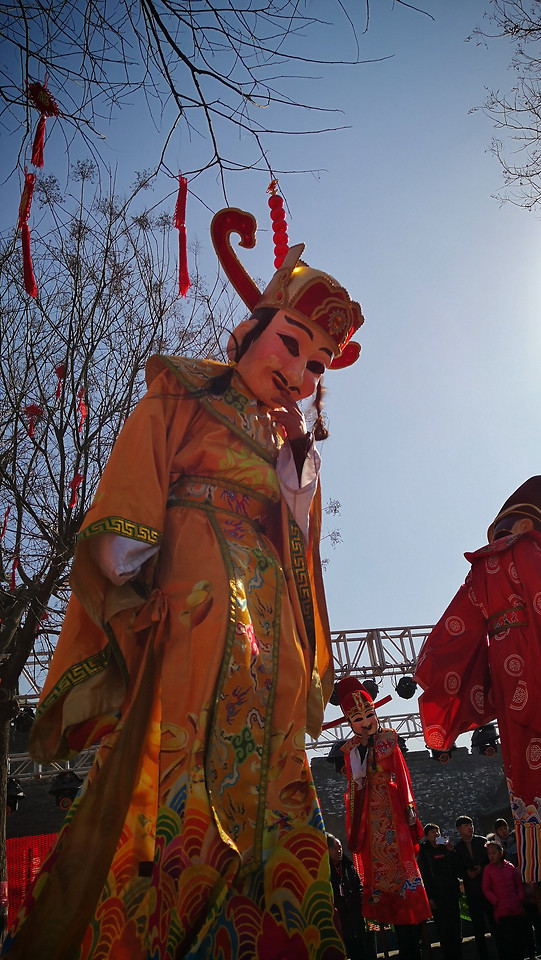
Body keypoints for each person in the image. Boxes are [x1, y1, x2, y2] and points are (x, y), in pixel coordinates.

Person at [2, 207, 364, 960]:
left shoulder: (285, 442)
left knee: (271, 757)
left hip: (268, 611)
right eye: (290, 346)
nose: (298, 372)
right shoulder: (179, 393)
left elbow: (297, 541)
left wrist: (297, 485)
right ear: (251, 331)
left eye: (317, 364)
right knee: (183, 750)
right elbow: (135, 485)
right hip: (194, 597)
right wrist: (132, 584)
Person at [415, 477, 541, 886]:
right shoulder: (530, 549)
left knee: (522, 757)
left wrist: (430, 666)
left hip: (506, 664)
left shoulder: (481, 568)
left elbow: (457, 630)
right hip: (534, 647)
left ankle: (535, 865)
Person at [330, 676, 431, 960]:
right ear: (350, 722)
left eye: (369, 715)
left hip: (393, 808)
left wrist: (409, 805)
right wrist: (361, 751)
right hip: (369, 816)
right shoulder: (350, 751)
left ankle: (412, 928)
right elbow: (354, 784)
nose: (366, 722)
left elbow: (402, 772)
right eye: (358, 718)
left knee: (402, 862)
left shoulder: (389, 739)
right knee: (379, 871)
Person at [417, 822, 462, 959]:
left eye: (438, 832)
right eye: (432, 833)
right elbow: (425, 876)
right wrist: (429, 897)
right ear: (426, 836)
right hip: (437, 896)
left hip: (451, 893)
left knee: (455, 927)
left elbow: (456, 867)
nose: (436, 835)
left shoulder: (445, 847)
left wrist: (452, 851)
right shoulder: (424, 852)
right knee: (443, 929)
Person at [453, 816, 495, 960]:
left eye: (471, 825)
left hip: (488, 888)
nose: (470, 828)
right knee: (478, 928)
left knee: (494, 923)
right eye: (466, 825)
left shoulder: (482, 842)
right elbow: (456, 868)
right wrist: (466, 873)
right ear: (459, 829)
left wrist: (481, 868)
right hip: (472, 890)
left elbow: (492, 860)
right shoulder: (457, 848)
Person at [482, 838, 526, 960]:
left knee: (519, 940)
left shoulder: (510, 867)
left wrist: (520, 898)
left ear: (500, 853)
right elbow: (486, 889)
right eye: (489, 854)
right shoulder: (488, 870)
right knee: (507, 941)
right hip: (501, 910)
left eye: (493, 853)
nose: (491, 856)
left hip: (516, 908)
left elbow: (518, 884)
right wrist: (495, 901)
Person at [327, 834, 367, 960]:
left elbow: (359, 886)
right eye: (335, 848)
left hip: (355, 916)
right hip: (338, 919)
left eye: (340, 848)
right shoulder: (325, 871)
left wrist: (360, 905)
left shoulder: (348, 866)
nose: (339, 851)